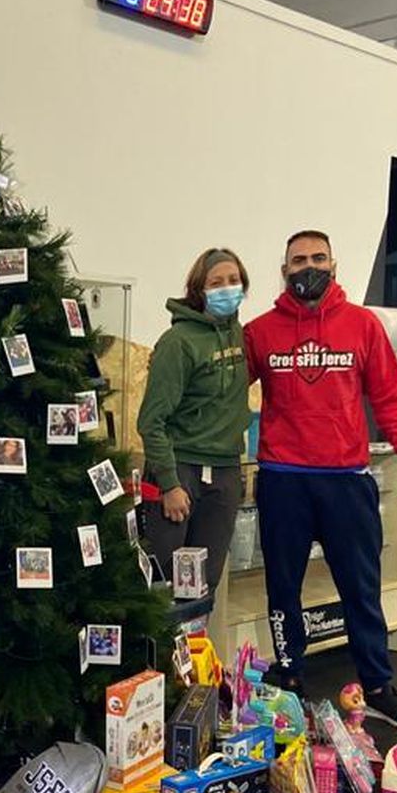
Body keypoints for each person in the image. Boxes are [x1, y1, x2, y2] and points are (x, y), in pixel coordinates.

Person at [243, 230, 397, 722]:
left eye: (317, 258)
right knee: (283, 587)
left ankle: (377, 683)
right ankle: (289, 672)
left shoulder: (363, 326)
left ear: (334, 264)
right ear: (283, 271)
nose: (308, 267)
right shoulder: (259, 332)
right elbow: (224, 393)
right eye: (298, 260)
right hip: (283, 479)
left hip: (346, 478)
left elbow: (390, 396)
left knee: (360, 586)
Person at [137, 247, 252, 597]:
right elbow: (151, 421)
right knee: (167, 584)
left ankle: (197, 651)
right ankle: (158, 653)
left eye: (234, 281)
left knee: (207, 582)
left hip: (225, 472)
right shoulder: (178, 342)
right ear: (199, 289)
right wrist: (170, 485)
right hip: (180, 471)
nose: (226, 288)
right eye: (216, 282)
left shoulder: (240, 335)